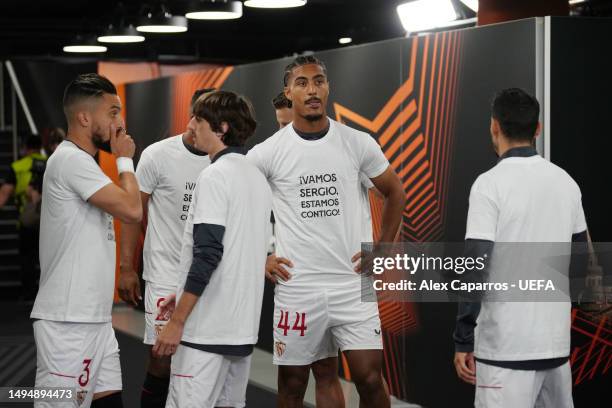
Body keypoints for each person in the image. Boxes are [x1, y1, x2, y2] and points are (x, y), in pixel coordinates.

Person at [248, 56, 405, 408]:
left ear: (328, 87)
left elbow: (395, 192)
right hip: (298, 287)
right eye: (302, 83)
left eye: (318, 81)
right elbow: (238, 205)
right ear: (288, 92)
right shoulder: (268, 153)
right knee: (291, 384)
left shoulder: (357, 142)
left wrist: (382, 249)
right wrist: (262, 255)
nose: (312, 89)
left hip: (352, 283)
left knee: (369, 378)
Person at [453, 88, 587, 408]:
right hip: (555, 347)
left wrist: (463, 337)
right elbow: (584, 265)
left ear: (494, 126)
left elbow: (476, 266)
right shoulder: (566, 182)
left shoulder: (489, 184)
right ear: (537, 129)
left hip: (505, 350)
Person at [153, 91, 272, 408]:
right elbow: (236, 253)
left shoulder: (214, 175)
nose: (191, 125)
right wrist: (181, 293)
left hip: (204, 334)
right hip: (240, 332)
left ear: (220, 128)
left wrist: (177, 321)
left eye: (198, 119)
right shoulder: (256, 177)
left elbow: (208, 254)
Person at [30, 73, 141, 408]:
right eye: (112, 112)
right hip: (67, 321)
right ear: (83, 117)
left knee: (109, 402)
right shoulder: (70, 161)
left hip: (92, 318)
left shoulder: (83, 164)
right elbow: (133, 209)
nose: (119, 123)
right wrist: (124, 158)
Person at [118, 88, 214, 408]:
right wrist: (127, 268)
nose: (195, 122)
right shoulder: (158, 155)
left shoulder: (225, 160)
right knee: (162, 357)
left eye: (206, 117)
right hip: (164, 275)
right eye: (195, 114)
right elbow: (133, 214)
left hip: (208, 280)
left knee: (202, 362)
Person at [0, 135, 47, 300]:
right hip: (48, 222)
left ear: (26, 147)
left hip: (26, 221)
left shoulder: (17, 166)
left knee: (27, 258)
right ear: (40, 146)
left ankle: (28, 294)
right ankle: (47, 294)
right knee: (47, 257)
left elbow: (4, 195)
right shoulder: (50, 162)